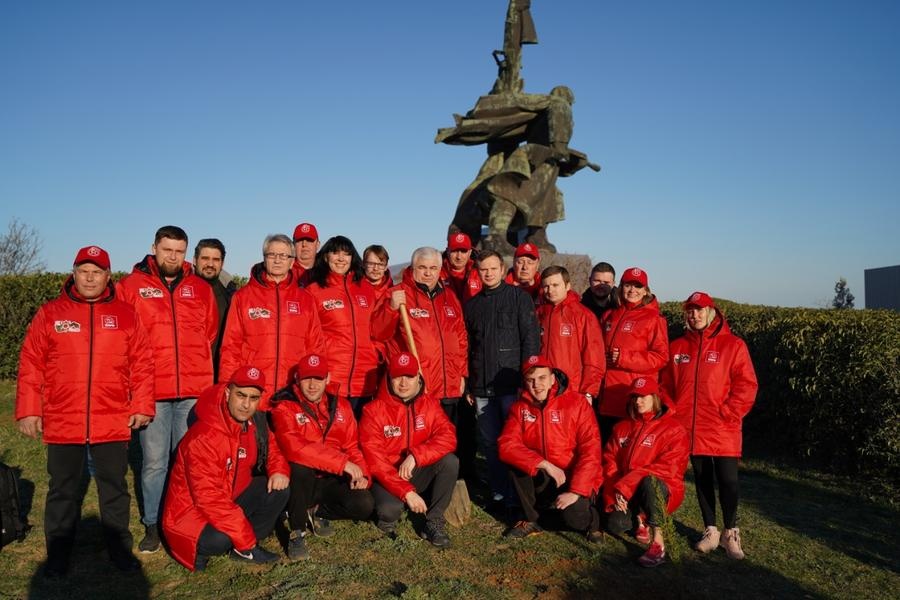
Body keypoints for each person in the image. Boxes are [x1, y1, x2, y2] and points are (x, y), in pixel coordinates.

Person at [16, 246, 154, 577]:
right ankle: (58, 554)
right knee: (62, 488)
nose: (90, 278)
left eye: (97, 272)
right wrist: (29, 410)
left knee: (114, 488)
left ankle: (119, 550)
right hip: (64, 418)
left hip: (111, 418)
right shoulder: (51, 313)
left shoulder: (126, 315)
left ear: (108, 276)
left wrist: (142, 404)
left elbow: (143, 364)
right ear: (74, 273)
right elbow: (32, 363)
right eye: (84, 271)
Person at [117, 225, 218, 553]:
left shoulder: (199, 288)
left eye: (179, 251)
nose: (173, 257)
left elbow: (210, 333)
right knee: (154, 462)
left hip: (192, 389)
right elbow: (123, 340)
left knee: (186, 459)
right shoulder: (130, 287)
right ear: (154, 249)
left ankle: (182, 518)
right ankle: (153, 523)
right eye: (167, 250)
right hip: (153, 391)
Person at [162, 366, 290, 571]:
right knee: (220, 539)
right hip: (192, 513)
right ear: (228, 393)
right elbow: (208, 498)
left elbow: (273, 449)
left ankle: (244, 547)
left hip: (229, 498)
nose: (246, 404)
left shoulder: (254, 422)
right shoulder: (204, 437)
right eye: (241, 395)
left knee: (278, 488)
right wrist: (244, 537)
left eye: (253, 398)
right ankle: (237, 546)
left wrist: (278, 470)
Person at [661, 292, 758, 559]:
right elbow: (665, 385)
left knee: (728, 480)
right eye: (690, 311)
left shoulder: (733, 345)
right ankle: (711, 530)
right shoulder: (678, 347)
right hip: (690, 428)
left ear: (711, 313)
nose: (694, 315)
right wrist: (673, 410)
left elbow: (747, 384)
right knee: (702, 479)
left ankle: (731, 532)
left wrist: (729, 412)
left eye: (699, 310)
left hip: (722, 426)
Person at [371, 247, 474, 480]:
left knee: (449, 436)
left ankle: (450, 480)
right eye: (422, 268)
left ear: (440, 269)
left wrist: (461, 374)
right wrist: (391, 308)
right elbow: (378, 333)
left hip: (449, 383)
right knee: (421, 437)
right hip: (419, 384)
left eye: (433, 268)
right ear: (413, 267)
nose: (428, 273)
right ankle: (419, 481)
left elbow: (460, 337)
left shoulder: (449, 297)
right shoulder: (398, 294)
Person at [269, 353, 375, 560]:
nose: (312, 385)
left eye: (318, 378)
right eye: (306, 378)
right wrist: (343, 463)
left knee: (364, 504)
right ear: (297, 379)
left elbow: (351, 446)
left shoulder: (341, 405)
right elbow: (294, 447)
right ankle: (297, 531)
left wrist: (362, 474)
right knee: (300, 466)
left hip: (330, 478)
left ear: (327, 379)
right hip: (301, 482)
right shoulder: (284, 406)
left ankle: (317, 511)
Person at [464, 250, 540, 508]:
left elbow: (530, 340)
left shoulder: (519, 298)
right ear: (478, 272)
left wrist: (527, 380)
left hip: (511, 386)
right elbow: (468, 348)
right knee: (489, 442)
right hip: (482, 387)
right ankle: (498, 491)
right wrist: (470, 383)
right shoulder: (472, 306)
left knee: (515, 442)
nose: (488, 273)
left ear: (502, 269)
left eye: (493, 268)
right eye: (483, 269)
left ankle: (519, 495)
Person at [498, 356, 602, 542]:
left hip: (573, 476)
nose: (536, 385)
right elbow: (506, 444)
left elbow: (591, 451)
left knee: (574, 519)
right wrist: (544, 464)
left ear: (553, 379)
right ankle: (530, 520)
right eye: (530, 380)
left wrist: (576, 491)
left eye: (542, 378)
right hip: (546, 474)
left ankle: (593, 522)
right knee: (516, 462)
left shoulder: (577, 403)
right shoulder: (520, 407)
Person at [360, 352, 458, 547]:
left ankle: (434, 522)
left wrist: (416, 456)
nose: (403, 383)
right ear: (388, 378)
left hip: (416, 470)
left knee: (450, 461)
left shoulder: (430, 404)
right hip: (387, 476)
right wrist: (406, 492)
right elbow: (376, 462)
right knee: (389, 511)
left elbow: (448, 437)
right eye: (397, 376)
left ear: (418, 378)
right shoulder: (373, 411)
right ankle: (395, 509)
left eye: (409, 376)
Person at [219, 234, 325, 408]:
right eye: (272, 255)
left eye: (283, 255)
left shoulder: (305, 299)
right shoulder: (243, 297)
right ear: (264, 258)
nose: (277, 260)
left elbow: (316, 346)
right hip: (252, 392)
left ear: (292, 261)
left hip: (292, 393)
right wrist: (227, 385)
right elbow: (230, 347)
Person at [602, 377, 689, 568]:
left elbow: (668, 468)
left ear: (655, 397)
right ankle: (640, 519)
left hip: (663, 488)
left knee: (650, 482)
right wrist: (614, 494)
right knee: (615, 525)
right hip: (627, 491)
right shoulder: (622, 427)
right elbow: (610, 462)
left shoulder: (674, 429)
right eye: (634, 397)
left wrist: (625, 486)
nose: (638, 401)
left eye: (643, 397)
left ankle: (658, 543)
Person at [305, 235, 380, 419]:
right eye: (335, 253)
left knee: (362, 431)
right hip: (332, 379)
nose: (341, 258)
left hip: (365, 378)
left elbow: (377, 329)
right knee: (334, 432)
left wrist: (377, 353)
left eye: (346, 254)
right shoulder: (314, 291)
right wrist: (319, 369)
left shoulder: (366, 289)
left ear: (352, 258)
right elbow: (309, 336)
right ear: (325, 257)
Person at [596, 267, 668, 442]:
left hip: (631, 398)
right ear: (621, 287)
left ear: (645, 291)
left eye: (638, 286)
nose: (632, 290)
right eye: (628, 285)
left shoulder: (654, 319)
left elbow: (661, 357)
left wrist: (624, 358)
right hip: (605, 398)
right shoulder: (610, 315)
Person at [536, 265, 605, 401]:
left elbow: (594, 357)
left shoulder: (583, 315)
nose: (550, 290)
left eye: (555, 285)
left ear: (567, 286)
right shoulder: (539, 313)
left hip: (572, 389)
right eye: (546, 286)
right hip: (542, 389)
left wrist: (588, 392)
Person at [193, 238, 237, 379]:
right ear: (195, 260)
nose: (210, 264)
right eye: (205, 258)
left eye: (216, 260)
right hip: (189, 373)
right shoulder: (180, 292)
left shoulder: (230, 294)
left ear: (222, 263)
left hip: (218, 373)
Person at [439, 232, 481, 305]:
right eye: (454, 251)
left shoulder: (481, 272)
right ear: (448, 251)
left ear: (470, 252)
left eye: (463, 251)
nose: (459, 256)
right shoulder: (436, 272)